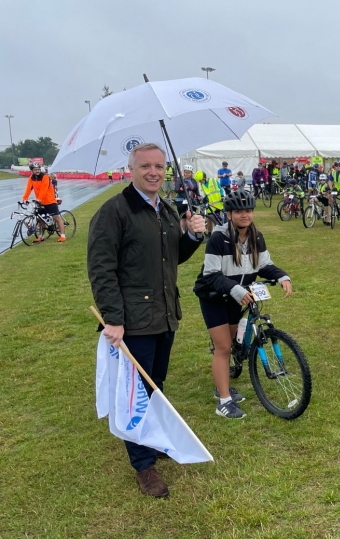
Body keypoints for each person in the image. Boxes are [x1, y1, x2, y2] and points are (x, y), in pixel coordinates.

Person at [87, 142, 205, 497]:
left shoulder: (166, 210)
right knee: (134, 396)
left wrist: (191, 235)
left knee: (155, 388)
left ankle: (151, 442)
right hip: (132, 322)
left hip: (165, 316)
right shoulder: (114, 212)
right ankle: (144, 466)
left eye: (159, 166)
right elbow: (101, 270)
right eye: (145, 166)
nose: (153, 172)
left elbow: (172, 258)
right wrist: (114, 319)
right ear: (131, 169)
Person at [193, 190, 292, 419]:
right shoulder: (219, 238)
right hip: (214, 296)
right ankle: (224, 401)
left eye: (248, 210)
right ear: (229, 214)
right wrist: (235, 289)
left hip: (237, 296)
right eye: (239, 211)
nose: (244, 215)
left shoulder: (256, 237)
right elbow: (211, 274)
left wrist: (282, 276)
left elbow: (265, 265)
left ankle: (223, 383)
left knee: (231, 343)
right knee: (223, 348)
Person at [23, 163, 66, 242]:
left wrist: (39, 199)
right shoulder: (31, 178)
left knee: (56, 218)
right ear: (32, 171)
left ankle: (63, 235)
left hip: (50, 201)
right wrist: (25, 198)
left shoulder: (45, 176)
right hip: (40, 202)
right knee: (40, 219)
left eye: (38, 169)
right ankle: (41, 236)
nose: (37, 171)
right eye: (35, 170)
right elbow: (28, 188)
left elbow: (44, 189)